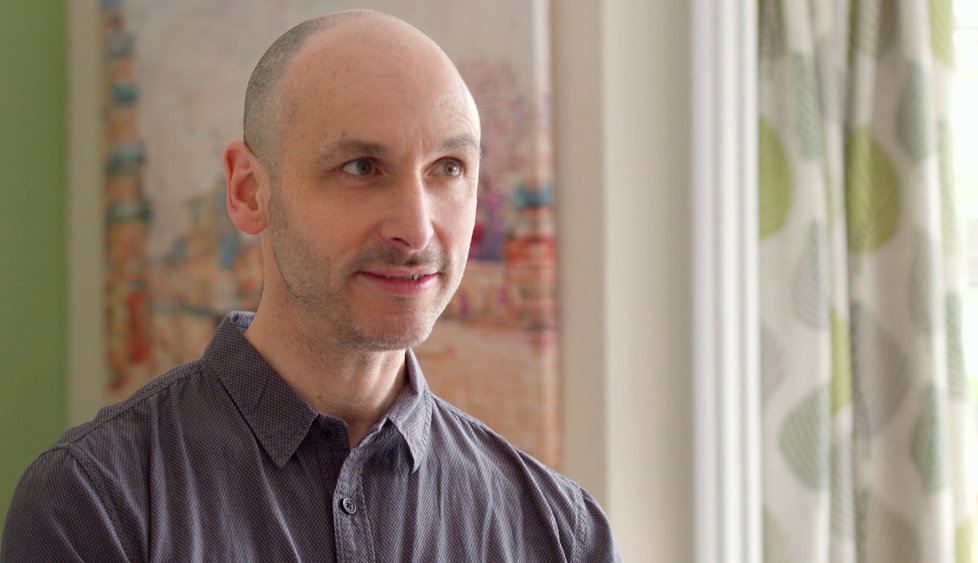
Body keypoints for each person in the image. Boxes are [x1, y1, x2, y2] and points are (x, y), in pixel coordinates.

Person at [1, 10, 621, 562]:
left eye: (448, 168)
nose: (416, 227)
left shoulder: (562, 536)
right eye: (362, 167)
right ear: (249, 191)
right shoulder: (96, 504)